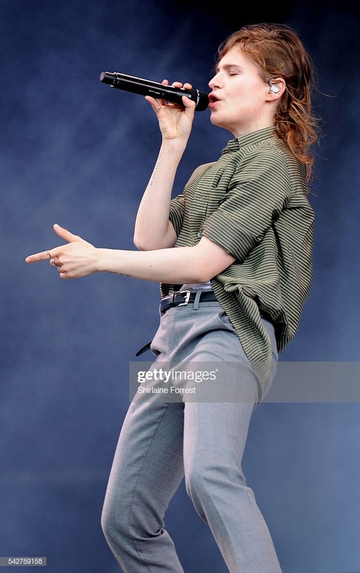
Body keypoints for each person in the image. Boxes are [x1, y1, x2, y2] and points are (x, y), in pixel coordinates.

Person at [26, 23, 319, 573]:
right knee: (125, 516)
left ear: (273, 88)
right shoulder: (213, 170)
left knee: (209, 475)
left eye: (231, 72)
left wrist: (100, 259)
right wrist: (172, 144)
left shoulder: (272, 164)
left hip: (225, 337)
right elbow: (152, 239)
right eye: (215, 71)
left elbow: (204, 263)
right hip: (172, 344)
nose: (214, 82)